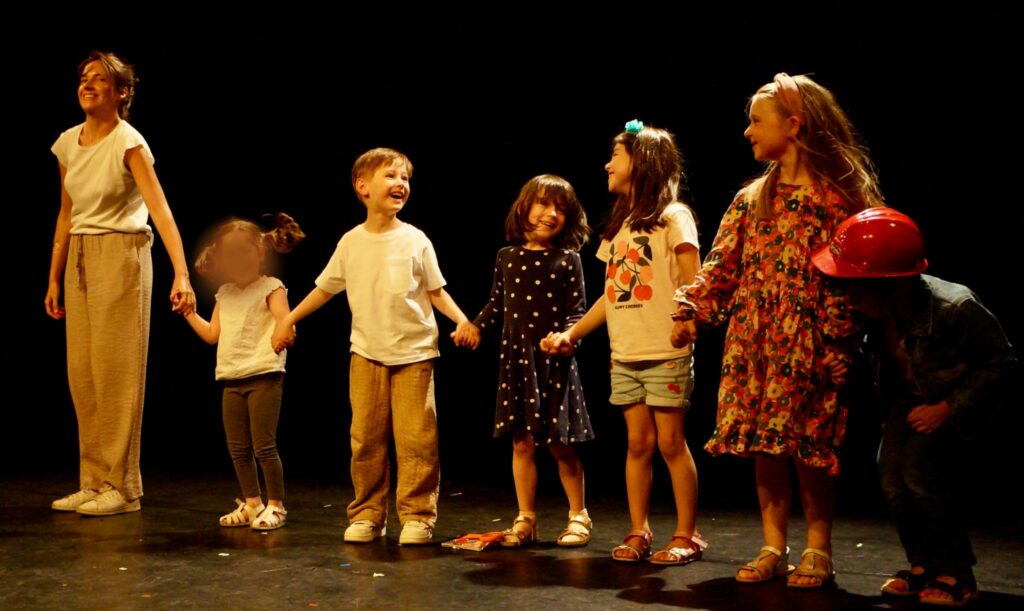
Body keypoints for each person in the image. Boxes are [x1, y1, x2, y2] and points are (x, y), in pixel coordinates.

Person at [672, 73, 882, 587]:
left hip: (809, 339)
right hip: (757, 339)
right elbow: (722, 264)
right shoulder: (752, 198)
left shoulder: (839, 198)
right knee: (766, 445)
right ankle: (773, 544)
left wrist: (843, 340)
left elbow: (859, 279)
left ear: (793, 125)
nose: (747, 132)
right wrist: (691, 312)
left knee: (808, 445)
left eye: (755, 121)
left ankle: (817, 547)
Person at [811, 207, 1016, 606]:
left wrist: (948, 407)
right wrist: (845, 364)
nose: (847, 296)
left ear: (889, 284)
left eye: (856, 287)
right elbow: (883, 357)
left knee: (921, 476)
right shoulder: (877, 312)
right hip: (907, 401)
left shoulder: (953, 307)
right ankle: (923, 564)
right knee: (891, 477)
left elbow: (1001, 363)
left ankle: (957, 573)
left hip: (950, 403)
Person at [271, 148, 470, 545]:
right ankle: (367, 514)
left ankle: (417, 516)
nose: (401, 184)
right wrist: (288, 318)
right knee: (365, 439)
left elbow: (436, 291)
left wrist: (462, 320)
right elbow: (324, 289)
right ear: (362, 187)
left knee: (416, 439)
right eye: (391, 176)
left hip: (414, 353)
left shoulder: (415, 239)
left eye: (405, 179)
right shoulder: (351, 242)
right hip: (365, 353)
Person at [543, 121, 705, 565]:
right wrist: (571, 334)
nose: (607, 164)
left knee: (671, 443)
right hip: (626, 354)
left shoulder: (674, 216)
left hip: (665, 350)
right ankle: (640, 530)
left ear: (642, 161)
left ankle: (687, 534)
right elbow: (611, 294)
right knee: (637, 444)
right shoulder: (617, 228)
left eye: (615, 155)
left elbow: (696, 280)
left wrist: (688, 317)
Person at [46, 51, 196, 516]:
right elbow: (67, 213)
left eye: (100, 80)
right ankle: (93, 480)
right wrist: (54, 275)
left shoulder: (129, 142)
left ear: (121, 92)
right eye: (83, 78)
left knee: (118, 373)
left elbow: (161, 209)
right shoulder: (68, 144)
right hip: (81, 260)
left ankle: (123, 486)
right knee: (84, 373)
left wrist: (181, 272)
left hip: (122, 253)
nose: (87, 85)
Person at [452, 175, 594, 547]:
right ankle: (526, 518)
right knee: (521, 443)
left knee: (561, 443)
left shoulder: (568, 260)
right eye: (544, 205)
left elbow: (577, 314)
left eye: (561, 210)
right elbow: (496, 303)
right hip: (518, 363)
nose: (551, 214)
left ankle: (578, 515)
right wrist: (474, 327)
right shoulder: (507, 257)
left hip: (554, 363)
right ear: (525, 206)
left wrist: (566, 341)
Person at [182, 214, 305, 530]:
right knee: (238, 449)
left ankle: (276, 506)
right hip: (231, 377)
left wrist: (285, 331)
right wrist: (188, 313)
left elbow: (284, 318)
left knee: (264, 446)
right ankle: (253, 504)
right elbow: (212, 334)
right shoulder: (224, 292)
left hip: (263, 374)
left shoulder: (271, 287)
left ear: (260, 252)